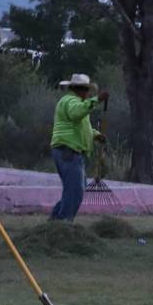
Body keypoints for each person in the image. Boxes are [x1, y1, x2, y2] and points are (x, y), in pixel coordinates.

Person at [50, 73, 109, 221]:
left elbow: (82, 126)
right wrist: (97, 100)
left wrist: (95, 135)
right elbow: (76, 114)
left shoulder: (73, 102)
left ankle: (55, 222)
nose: (88, 94)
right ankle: (63, 224)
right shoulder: (71, 101)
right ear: (80, 89)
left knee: (74, 191)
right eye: (87, 90)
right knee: (74, 191)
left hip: (69, 151)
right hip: (68, 151)